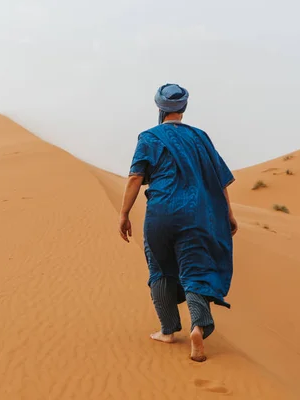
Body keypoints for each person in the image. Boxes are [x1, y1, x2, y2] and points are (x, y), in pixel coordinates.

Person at [119, 83, 237, 362]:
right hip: (197, 214)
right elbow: (218, 179)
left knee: (159, 268)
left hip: (160, 212)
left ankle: (168, 330)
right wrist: (229, 213)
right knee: (196, 268)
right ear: (183, 108)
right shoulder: (201, 137)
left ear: (159, 108)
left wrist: (124, 214)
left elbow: (136, 177)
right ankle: (198, 326)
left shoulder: (149, 137)